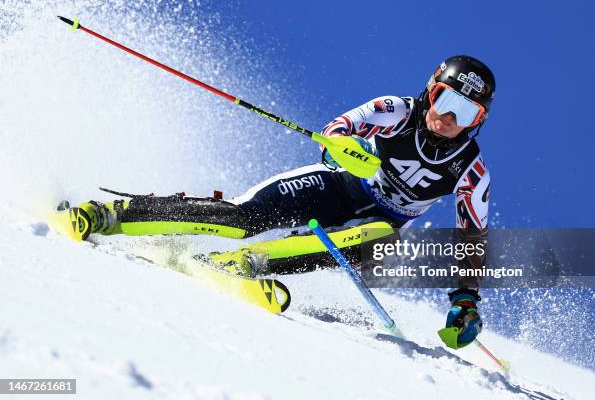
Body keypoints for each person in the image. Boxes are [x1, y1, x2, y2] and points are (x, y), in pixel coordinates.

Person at [62, 55, 494, 348]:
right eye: (445, 100)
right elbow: (341, 127)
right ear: (430, 91)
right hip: (333, 187)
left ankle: (245, 264)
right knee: (238, 218)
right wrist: (341, 145)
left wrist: (465, 302)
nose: (448, 118)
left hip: (371, 227)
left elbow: (470, 240)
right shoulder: (398, 110)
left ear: (478, 122)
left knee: (381, 238)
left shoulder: (471, 172)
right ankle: (113, 216)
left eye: (465, 112)